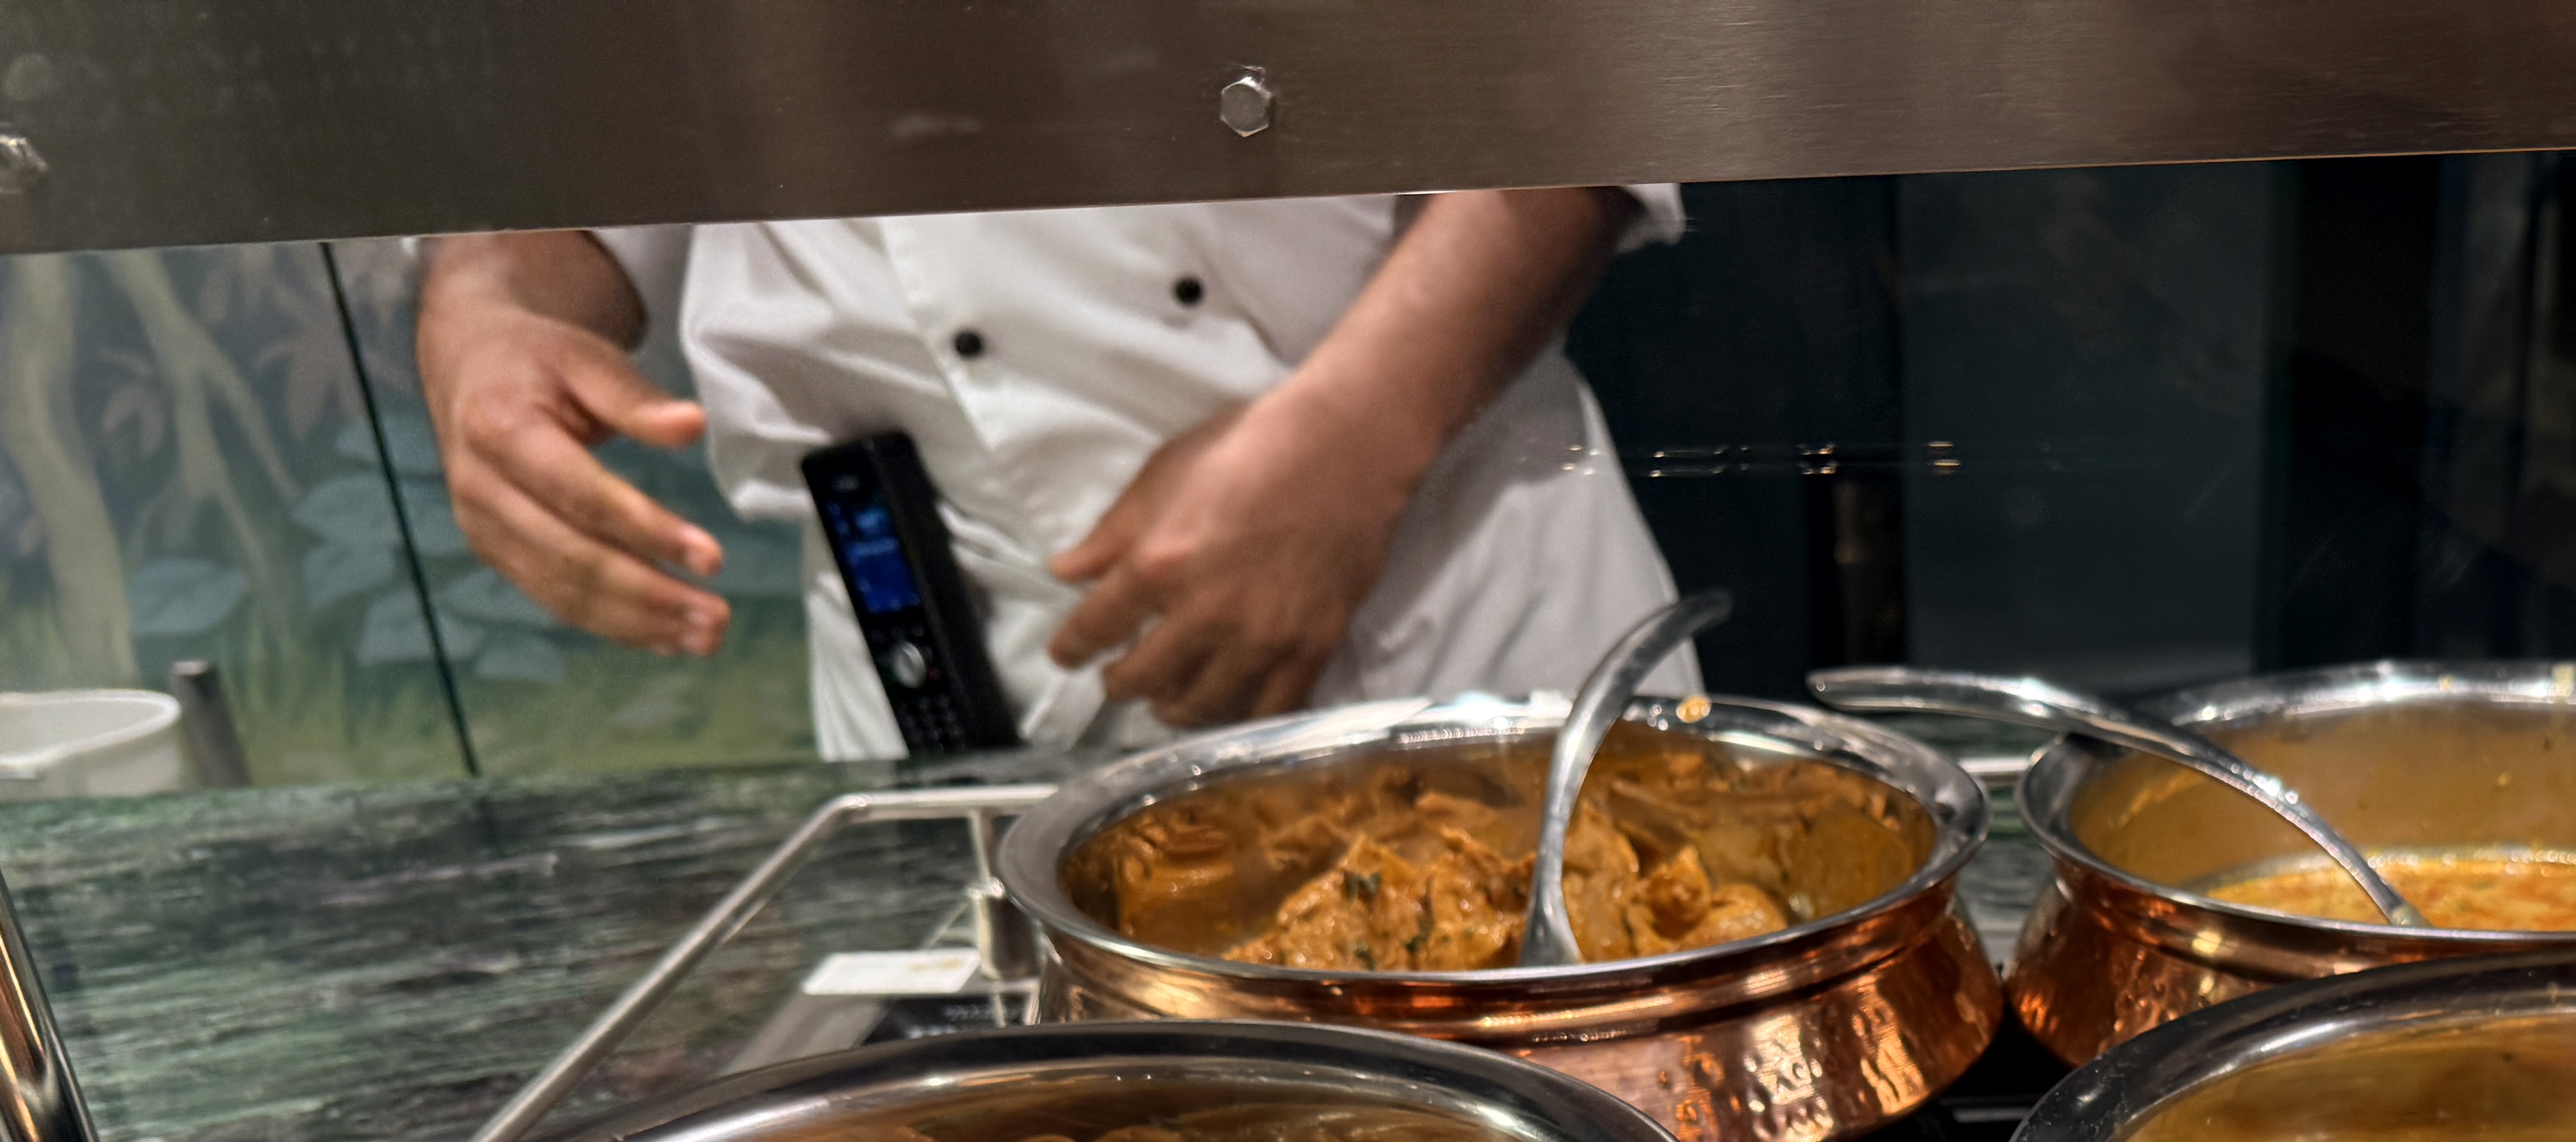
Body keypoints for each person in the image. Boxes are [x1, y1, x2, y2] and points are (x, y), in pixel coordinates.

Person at [413, 192, 1688, 755]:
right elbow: (571, 103)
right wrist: (485, 311)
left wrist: (1362, 434)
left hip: (1429, 593)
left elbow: (1584, 58)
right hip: (926, 657)